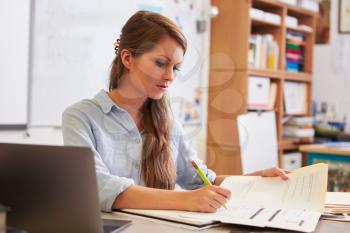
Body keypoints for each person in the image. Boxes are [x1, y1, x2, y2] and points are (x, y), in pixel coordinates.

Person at [62, 11, 288, 213]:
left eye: (176, 67)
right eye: (161, 63)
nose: (170, 76)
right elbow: (98, 187)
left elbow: (201, 181)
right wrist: (185, 200)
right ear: (128, 58)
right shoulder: (81, 117)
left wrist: (257, 179)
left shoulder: (167, 122)